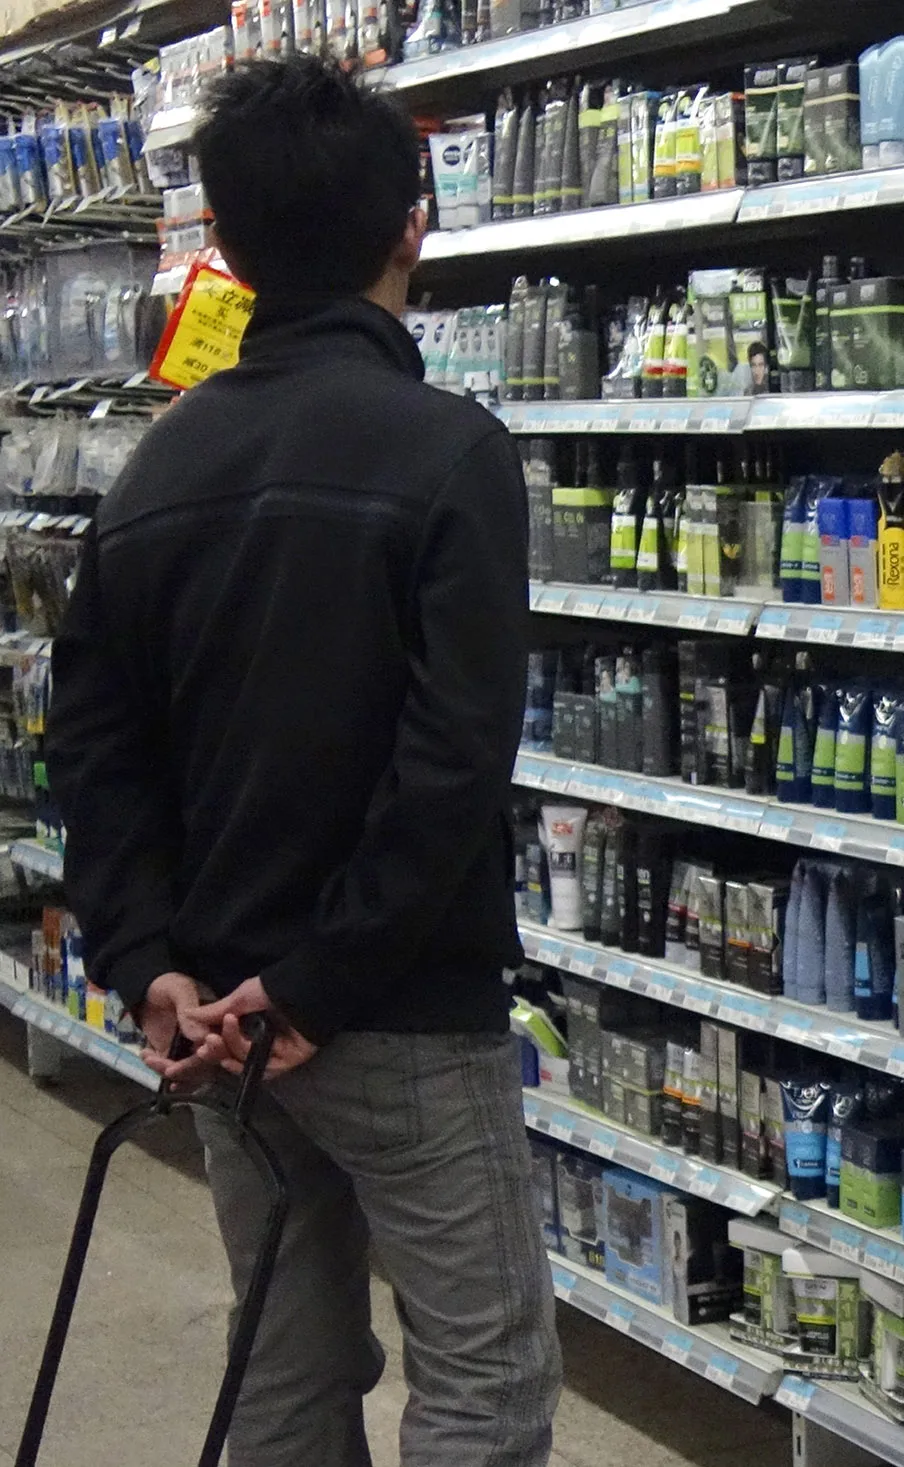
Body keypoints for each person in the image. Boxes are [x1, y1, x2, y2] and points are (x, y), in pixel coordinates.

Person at [46, 54, 559, 1467]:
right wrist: (323, 982)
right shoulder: (450, 451)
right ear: (414, 224)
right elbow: (452, 762)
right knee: (485, 1382)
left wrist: (147, 959)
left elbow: (90, 741)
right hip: (389, 1011)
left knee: (283, 1362)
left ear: (224, 241)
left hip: (219, 1019)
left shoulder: (153, 467)